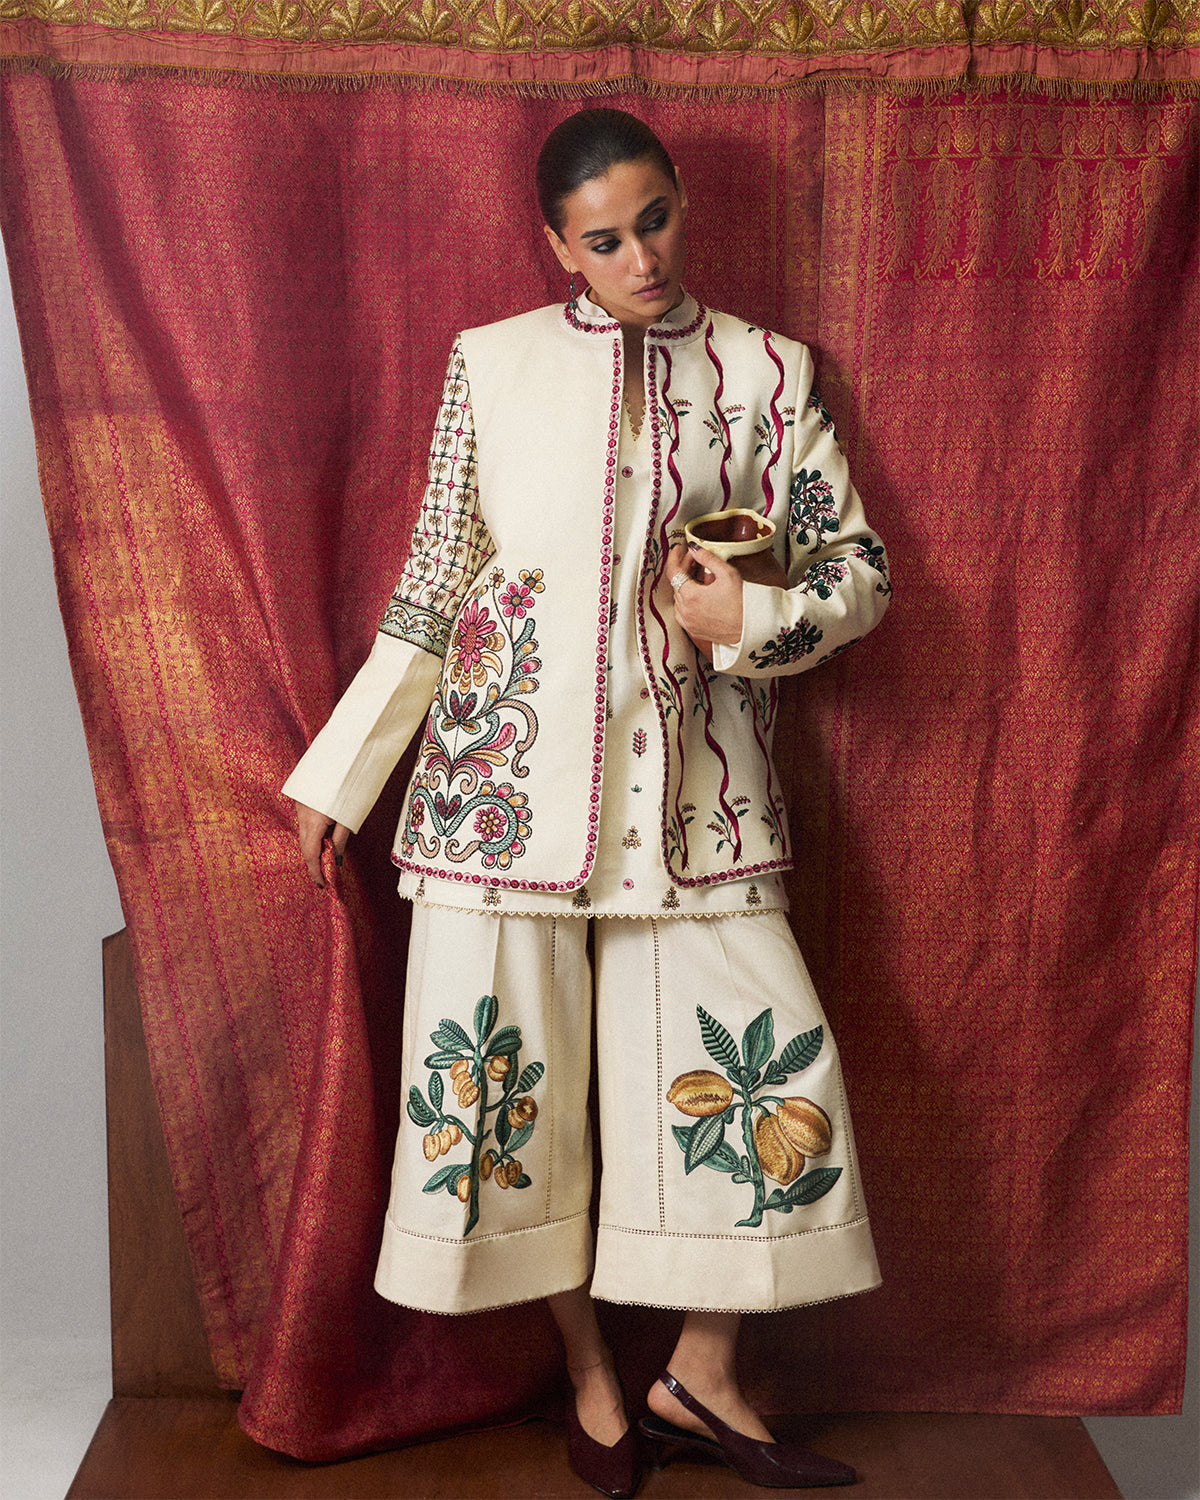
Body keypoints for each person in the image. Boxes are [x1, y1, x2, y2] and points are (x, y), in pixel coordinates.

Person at [283, 107, 891, 1497]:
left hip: (698, 803)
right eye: (605, 240)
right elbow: (437, 582)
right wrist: (344, 772)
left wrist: (751, 616)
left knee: (768, 1072)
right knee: (511, 1091)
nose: (641, 258)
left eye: (655, 221)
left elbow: (855, 571)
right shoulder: (491, 365)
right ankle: (595, 1380)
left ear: (681, 203)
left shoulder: (768, 372)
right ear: (558, 246)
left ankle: (701, 1374)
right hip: (500, 797)